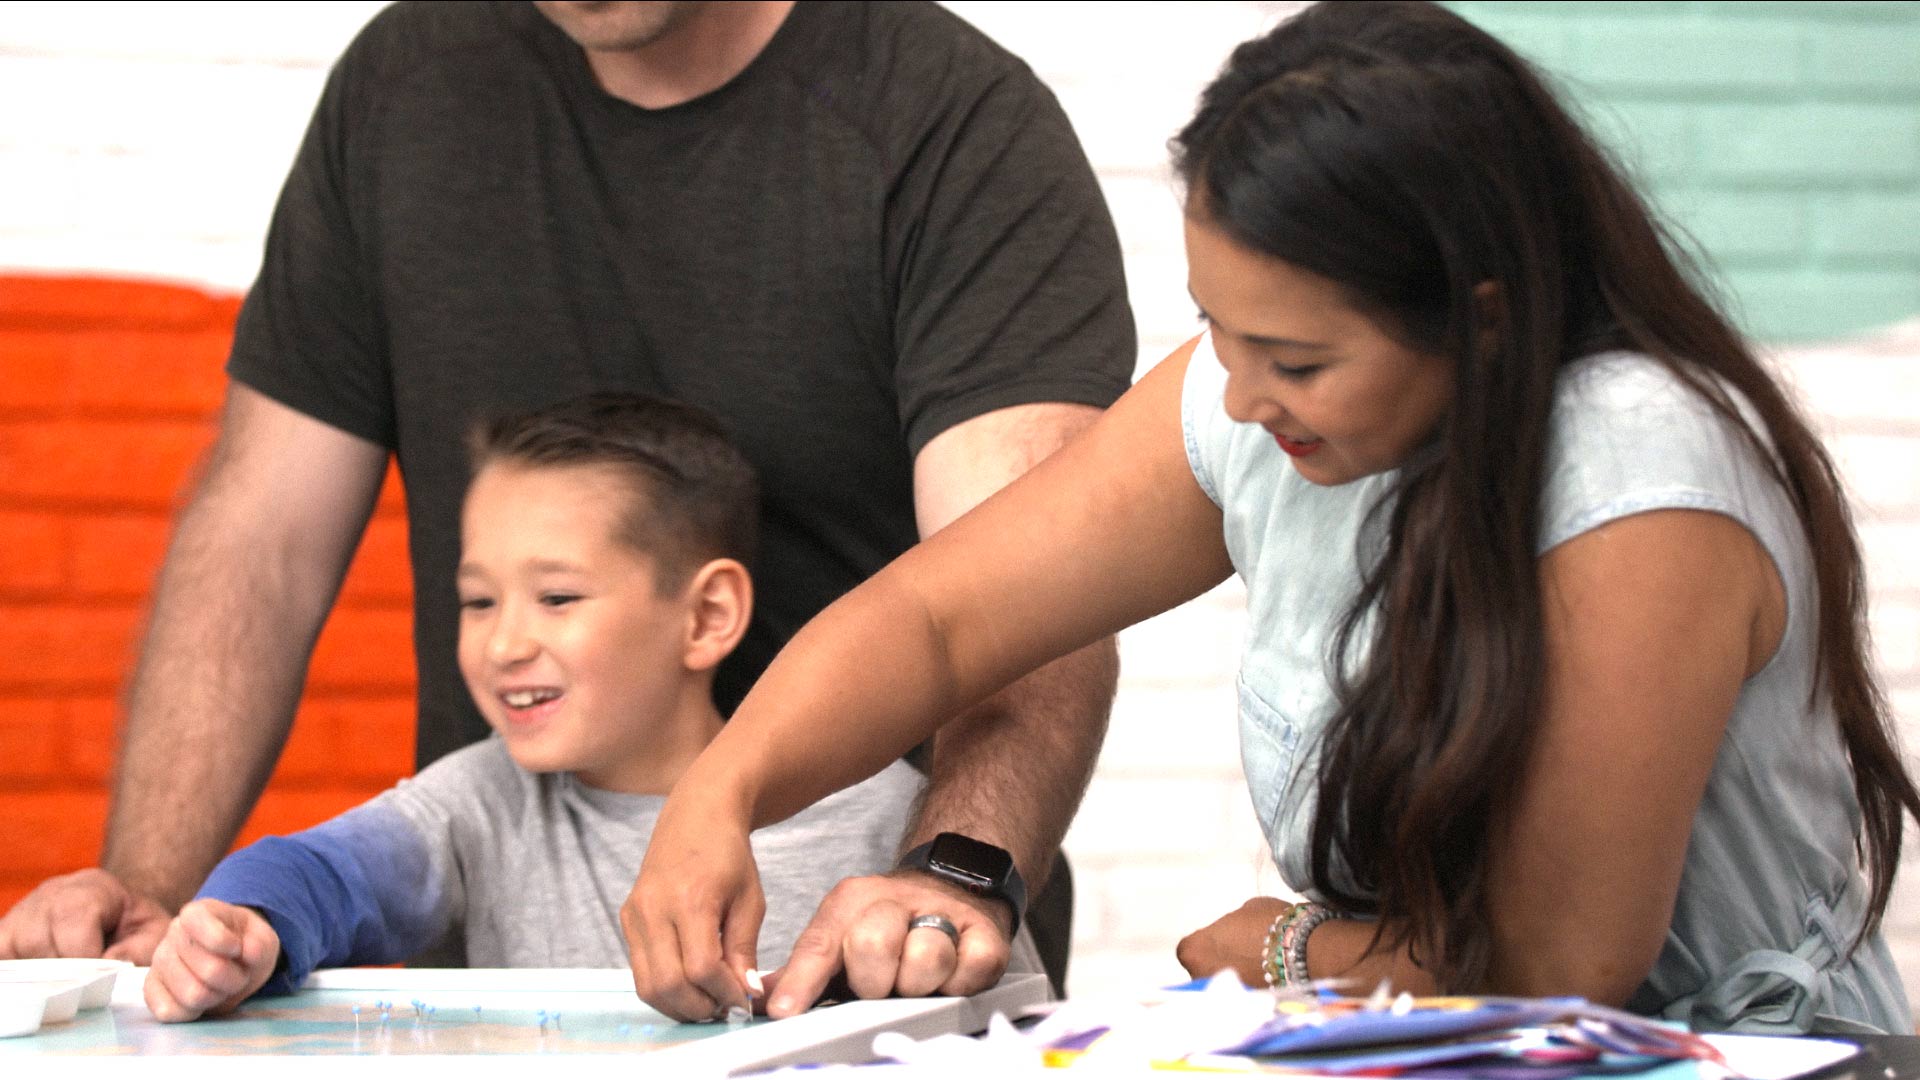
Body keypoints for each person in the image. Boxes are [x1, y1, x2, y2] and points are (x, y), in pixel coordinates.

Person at [626, 0, 1920, 1034]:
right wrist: (721, 795)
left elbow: (1560, 963)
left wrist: (1288, 947)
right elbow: (945, 616)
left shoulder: (1638, 472)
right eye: (1219, 332)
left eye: (1296, 361)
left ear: (1481, 316)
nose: (1240, 399)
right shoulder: (1248, 406)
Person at [0, 0, 1132, 1009]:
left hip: (885, 976)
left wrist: (944, 887)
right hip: (498, 1010)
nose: (509, 634)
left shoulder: (949, 121)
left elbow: (1029, 588)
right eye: (485, 597)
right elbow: (261, 541)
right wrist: (152, 901)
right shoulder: (407, 88)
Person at [143, 392, 939, 1022]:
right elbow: (323, 873)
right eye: (479, 601)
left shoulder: (888, 811)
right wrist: (242, 924)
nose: (503, 645)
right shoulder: (481, 802)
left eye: (557, 597)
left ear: (706, 617)